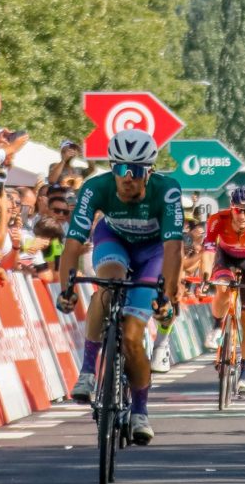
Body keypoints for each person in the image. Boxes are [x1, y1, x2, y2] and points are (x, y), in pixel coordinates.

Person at [55, 129, 182, 446]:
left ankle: (140, 411)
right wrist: (66, 289)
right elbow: (73, 244)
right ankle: (88, 371)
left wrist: (167, 297)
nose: (127, 177)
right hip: (114, 241)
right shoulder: (95, 187)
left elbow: (173, 250)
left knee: (133, 336)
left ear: (149, 171)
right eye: (120, 168)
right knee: (107, 286)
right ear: (112, 167)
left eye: (136, 170)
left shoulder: (167, 190)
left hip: (153, 252)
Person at [198, 187, 245, 392]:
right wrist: (205, 278)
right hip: (225, 258)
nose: (242, 216)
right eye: (238, 210)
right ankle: (216, 327)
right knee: (222, 288)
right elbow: (208, 252)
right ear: (231, 208)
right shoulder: (217, 220)